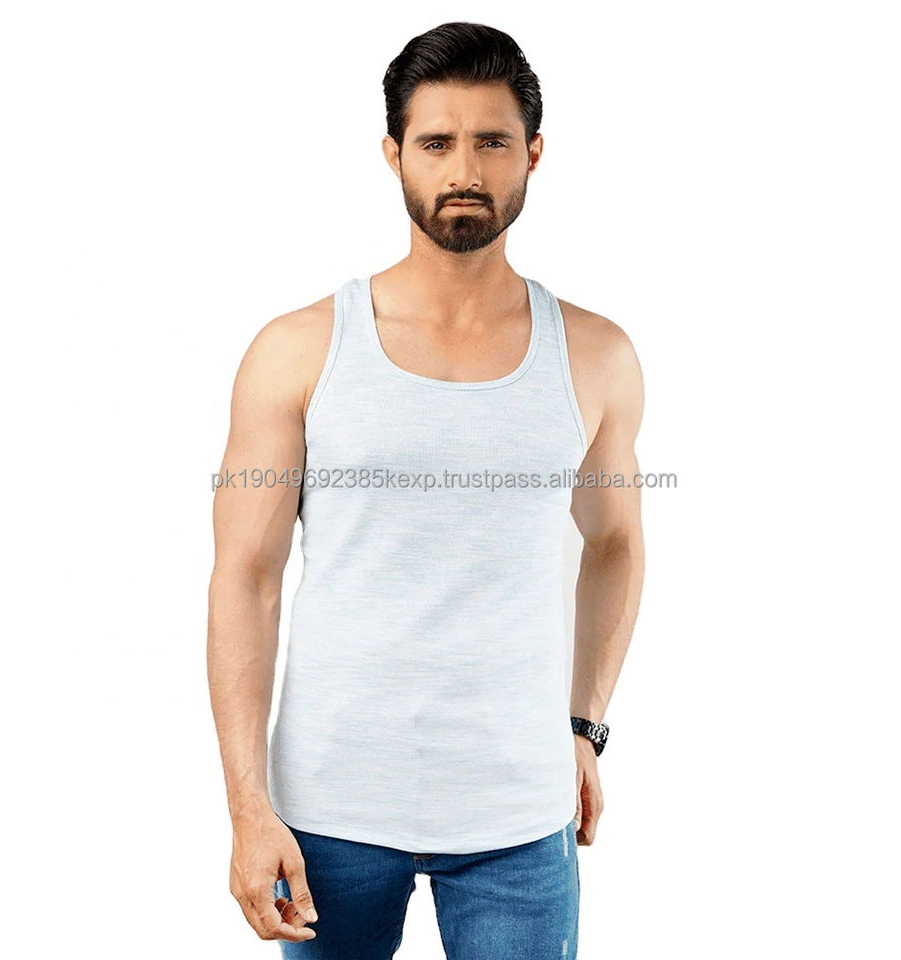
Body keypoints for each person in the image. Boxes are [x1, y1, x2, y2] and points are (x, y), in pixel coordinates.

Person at [207, 21, 645, 958]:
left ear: (533, 153)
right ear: (393, 153)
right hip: (328, 812)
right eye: (437, 142)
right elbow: (245, 577)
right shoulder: (298, 350)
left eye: (492, 141)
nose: (465, 170)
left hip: (519, 818)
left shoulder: (596, 355)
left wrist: (585, 726)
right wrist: (247, 805)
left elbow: (615, 543)